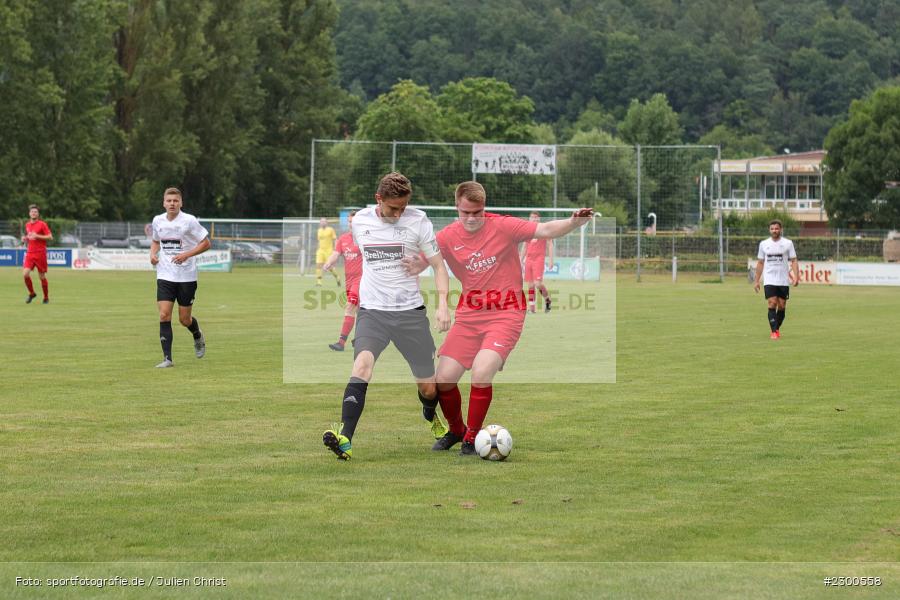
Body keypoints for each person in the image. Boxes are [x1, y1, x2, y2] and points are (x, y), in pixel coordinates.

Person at [404, 182, 593, 455]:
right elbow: (425, 261)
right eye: (465, 212)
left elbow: (545, 230)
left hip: (506, 313)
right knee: (444, 378)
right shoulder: (446, 237)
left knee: (481, 371)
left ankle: (471, 437)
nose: (471, 218)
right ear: (456, 207)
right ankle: (456, 430)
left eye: (477, 212)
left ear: (485, 207)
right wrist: (410, 264)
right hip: (469, 315)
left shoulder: (503, 226)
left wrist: (574, 222)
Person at [322, 172, 452, 460]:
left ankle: (431, 417)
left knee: (429, 388)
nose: (399, 213)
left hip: (410, 314)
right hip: (373, 312)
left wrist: (443, 303)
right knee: (362, 367)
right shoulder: (360, 222)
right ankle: (345, 438)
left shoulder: (419, 221)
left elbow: (439, 266)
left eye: (403, 207)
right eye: (394, 208)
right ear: (378, 199)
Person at [150, 187, 211, 368]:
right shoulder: (157, 221)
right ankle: (167, 359)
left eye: (175, 201)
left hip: (186, 276)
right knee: (164, 314)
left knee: (184, 319)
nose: (172, 204)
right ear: (164, 203)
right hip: (164, 274)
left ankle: (197, 334)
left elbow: (206, 243)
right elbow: (155, 241)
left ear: (181, 203)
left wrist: (187, 254)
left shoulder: (189, 221)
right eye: (169, 201)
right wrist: (153, 255)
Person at [322, 210, 362, 351]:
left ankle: (341, 343)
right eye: (350, 222)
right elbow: (335, 254)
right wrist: (328, 263)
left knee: (349, 307)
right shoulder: (343, 239)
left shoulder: (365, 239)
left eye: (354, 222)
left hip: (362, 280)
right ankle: (360, 339)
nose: (351, 224)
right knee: (360, 311)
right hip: (349, 281)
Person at [753, 219, 799, 340]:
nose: (774, 230)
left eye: (777, 228)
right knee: (772, 302)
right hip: (769, 279)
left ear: (781, 229)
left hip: (783, 280)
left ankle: (776, 327)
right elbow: (760, 262)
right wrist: (756, 280)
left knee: (782, 305)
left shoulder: (788, 243)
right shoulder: (764, 244)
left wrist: (796, 277)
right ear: (769, 230)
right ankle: (774, 332)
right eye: (772, 228)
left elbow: (793, 260)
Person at [519, 211, 554, 313]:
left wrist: (551, 260)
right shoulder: (527, 231)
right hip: (529, 260)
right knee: (530, 285)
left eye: (536, 218)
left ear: (539, 219)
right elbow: (525, 246)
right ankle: (532, 309)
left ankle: (548, 300)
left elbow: (550, 244)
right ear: (529, 219)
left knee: (538, 284)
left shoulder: (543, 229)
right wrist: (520, 260)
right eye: (532, 217)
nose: (534, 219)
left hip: (539, 259)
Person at [21, 204, 52, 304]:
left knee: (41, 277)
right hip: (30, 253)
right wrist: (25, 239)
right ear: (29, 213)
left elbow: (50, 237)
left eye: (35, 212)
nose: (33, 213)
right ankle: (32, 293)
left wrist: (37, 236)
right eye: (32, 212)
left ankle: (46, 297)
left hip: (40, 254)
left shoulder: (42, 224)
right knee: (25, 274)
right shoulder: (27, 225)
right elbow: (30, 237)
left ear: (38, 214)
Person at [315, 217, 340, 287]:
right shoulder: (319, 230)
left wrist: (336, 249)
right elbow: (319, 241)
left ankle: (337, 277)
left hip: (329, 251)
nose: (323, 222)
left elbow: (335, 239)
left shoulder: (330, 230)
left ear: (327, 223)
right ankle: (319, 282)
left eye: (324, 221)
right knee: (318, 265)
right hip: (320, 251)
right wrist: (317, 249)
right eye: (321, 221)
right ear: (320, 223)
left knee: (329, 267)